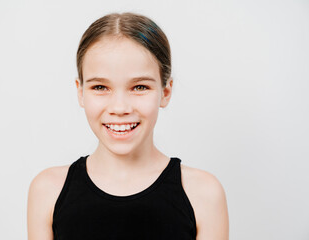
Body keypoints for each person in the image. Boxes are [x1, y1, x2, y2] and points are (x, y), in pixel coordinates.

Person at [27, 12, 229, 240]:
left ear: (166, 91)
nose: (120, 107)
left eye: (140, 87)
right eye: (100, 87)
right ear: (80, 91)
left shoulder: (203, 194)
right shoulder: (48, 191)